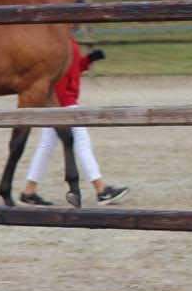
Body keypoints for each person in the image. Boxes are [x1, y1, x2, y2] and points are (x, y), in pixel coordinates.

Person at [19, 35, 129, 207]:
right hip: (63, 101)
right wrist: (62, 103)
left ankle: (29, 191)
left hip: (61, 101)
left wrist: (88, 60)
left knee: (46, 146)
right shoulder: (57, 40)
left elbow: (72, 68)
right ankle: (101, 190)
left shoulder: (66, 37)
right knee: (82, 141)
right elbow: (55, 73)